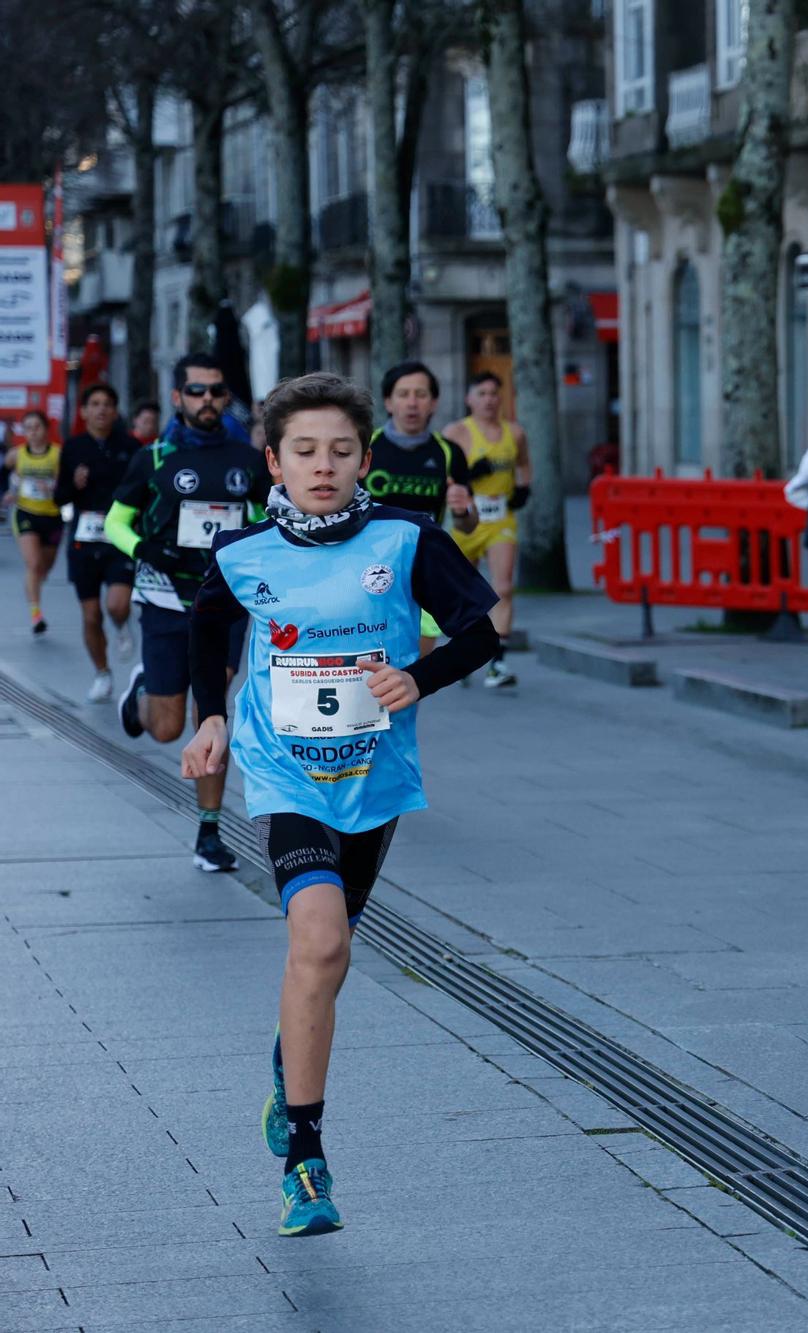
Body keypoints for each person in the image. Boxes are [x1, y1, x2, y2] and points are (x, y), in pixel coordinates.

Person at [180, 372, 498, 1237]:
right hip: (284, 776)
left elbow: (482, 626)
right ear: (274, 464)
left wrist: (416, 676)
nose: (325, 466)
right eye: (305, 452)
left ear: (365, 460)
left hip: (374, 780)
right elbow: (210, 631)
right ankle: (306, 1164)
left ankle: (289, 1065)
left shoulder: (406, 538)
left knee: (334, 954)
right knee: (317, 940)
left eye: (342, 451)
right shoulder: (242, 554)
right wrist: (211, 713)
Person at [107, 352, 271, 872]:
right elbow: (116, 521)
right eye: (196, 391)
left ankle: (210, 832)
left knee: (212, 711)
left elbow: (271, 521)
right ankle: (139, 699)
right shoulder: (153, 458)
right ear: (178, 397)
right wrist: (144, 550)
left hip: (223, 602)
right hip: (163, 598)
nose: (207, 400)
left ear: (227, 398)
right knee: (163, 727)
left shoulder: (248, 460)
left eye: (216, 391)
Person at [369, 362, 477, 652]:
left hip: (425, 565)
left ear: (434, 403)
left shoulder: (449, 453)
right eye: (403, 394)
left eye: (421, 394)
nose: (412, 403)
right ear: (389, 402)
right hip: (370, 566)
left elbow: (469, 524)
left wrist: (462, 509)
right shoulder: (366, 447)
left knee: (415, 670)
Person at [442, 371, 532, 686]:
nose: (489, 400)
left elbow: (523, 462)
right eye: (482, 394)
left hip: (501, 518)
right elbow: (442, 473)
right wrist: (466, 474)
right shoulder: (456, 433)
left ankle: (498, 664)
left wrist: (524, 487)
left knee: (503, 587)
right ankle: (465, 653)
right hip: (466, 518)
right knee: (466, 593)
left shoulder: (515, 433)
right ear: (469, 399)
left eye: (494, 393)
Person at [56, 384, 141, 698]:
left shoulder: (131, 447)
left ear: (116, 411)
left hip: (118, 537)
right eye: (94, 403)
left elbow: (142, 492)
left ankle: (121, 624)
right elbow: (58, 497)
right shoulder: (73, 447)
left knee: (117, 604)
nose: (101, 409)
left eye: (107, 403)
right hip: (83, 540)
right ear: (84, 411)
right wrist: (74, 486)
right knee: (91, 614)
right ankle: (102, 673)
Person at [5, 410, 61, 635]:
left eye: (37, 427)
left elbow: (64, 483)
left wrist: (54, 488)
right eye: (28, 428)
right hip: (26, 512)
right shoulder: (16, 455)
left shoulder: (57, 455)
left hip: (52, 515)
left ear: (46, 429)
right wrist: (10, 492)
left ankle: (34, 587)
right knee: (34, 564)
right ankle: (36, 614)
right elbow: (8, 476)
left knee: (44, 569)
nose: (33, 432)